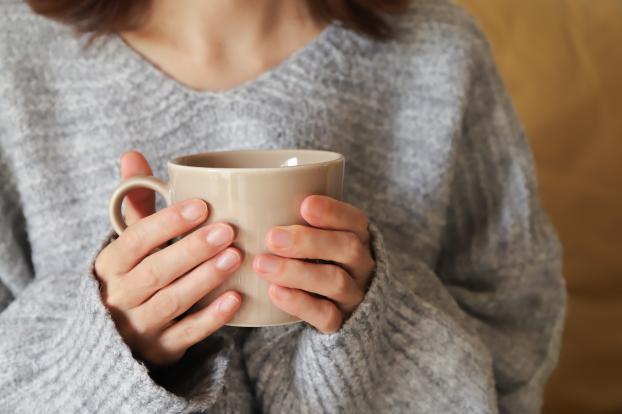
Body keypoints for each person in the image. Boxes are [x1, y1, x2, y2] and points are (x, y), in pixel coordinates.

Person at [0, 0, 566, 412]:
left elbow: (516, 337)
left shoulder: (441, 51)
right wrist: (104, 353)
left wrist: (383, 328)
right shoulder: (13, 53)